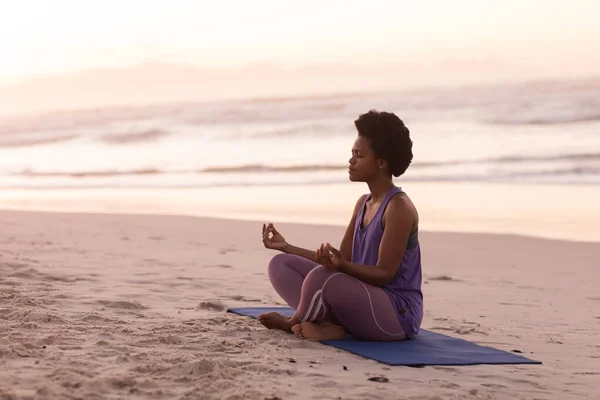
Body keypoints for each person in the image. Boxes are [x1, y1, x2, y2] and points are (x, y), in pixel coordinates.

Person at [259, 110, 422, 341]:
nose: (351, 160)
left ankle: (292, 323)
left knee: (321, 278)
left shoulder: (398, 208)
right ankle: (331, 327)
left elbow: (384, 274)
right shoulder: (363, 204)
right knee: (280, 265)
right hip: (361, 299)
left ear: (381, 162)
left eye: (359, 155)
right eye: (352, 153)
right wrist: (287, 247)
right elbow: (339, 261)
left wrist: (341, 265)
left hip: (396, 315)